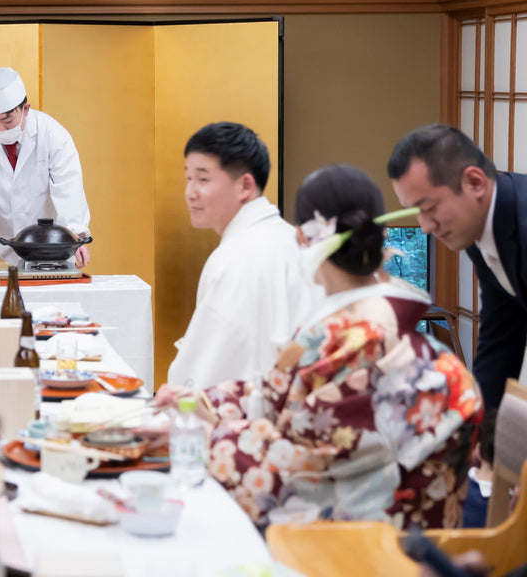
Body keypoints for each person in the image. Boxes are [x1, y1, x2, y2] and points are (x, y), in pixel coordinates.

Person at [188, 165, 483, 530]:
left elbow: (289, 473)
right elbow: (281, 398)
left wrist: (207, 436)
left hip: (382, 545)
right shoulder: (378, 324)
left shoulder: (364, 344)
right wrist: (202, 403)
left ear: (301, 238)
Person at [167, 121, 315, 389]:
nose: (190, 193)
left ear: (245, 186)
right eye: (188, 178)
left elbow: (207, 373)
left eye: (203, 179)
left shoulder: (236, 257)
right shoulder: (286, 237)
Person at [389, 124, 525, 410]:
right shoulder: (480, 230)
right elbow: (500, 336)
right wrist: (479, 427)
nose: (425, 227)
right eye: (416, 212)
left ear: (475, 183)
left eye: (430, 208)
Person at [0, 66, 91, 270]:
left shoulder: (53, 135)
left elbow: (69, 191)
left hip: (49, 252)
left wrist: (76, 238)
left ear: (25, 109)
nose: (0, 129)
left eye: (8, 121)